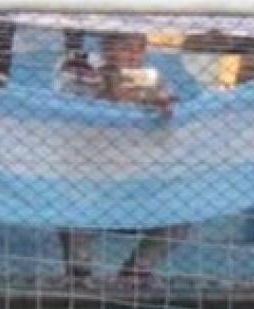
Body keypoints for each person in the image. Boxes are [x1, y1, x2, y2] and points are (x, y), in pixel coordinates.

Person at [59, 32, 184, 283]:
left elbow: (167, 129)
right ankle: (79, 272)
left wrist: (164, 109)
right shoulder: (83, 74)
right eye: (126, 48)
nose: (134, 56)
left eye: (139, 49)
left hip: (139, 176)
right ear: (107, 50)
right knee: (70, 210)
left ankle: (135, 272)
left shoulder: (153, 79)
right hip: (93, 174)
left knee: (182, 217)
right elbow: (72, 114)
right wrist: (112, 92)